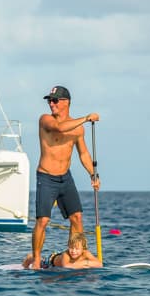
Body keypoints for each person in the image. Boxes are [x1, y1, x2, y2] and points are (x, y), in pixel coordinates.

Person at [29, 85, 100, 270]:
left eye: (54, 101)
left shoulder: (78, 130)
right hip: (46, 177)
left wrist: (93, 174)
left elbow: (83, 154)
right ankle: (36, 260)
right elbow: (59, 128)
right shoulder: (45, 120)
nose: (50, 104)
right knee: (43, 220)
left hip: (65, 178)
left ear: (65, 102)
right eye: (49, 101)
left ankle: (74, 254)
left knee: (77, 217)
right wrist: (86, 118)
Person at [22, 232, 103, 269]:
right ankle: (30, 258)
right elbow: (66, 266)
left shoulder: (86, 253)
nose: (73, 251)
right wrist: (85, 264)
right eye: (71, 248)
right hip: (51, 261)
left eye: (77, 249)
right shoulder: (66, 255)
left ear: (83, 249)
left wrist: (85, 263)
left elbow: (99, 264)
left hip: (60, 259)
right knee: (40, 262)